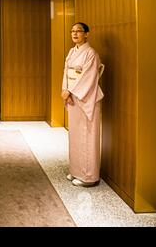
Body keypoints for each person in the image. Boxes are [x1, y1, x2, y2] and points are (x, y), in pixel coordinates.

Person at [62, 22, 104, 187]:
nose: (74, 33)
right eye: (72, 31)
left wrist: (70, 91)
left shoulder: (91, 54)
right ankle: (76, 171)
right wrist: (65, 90)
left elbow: (89, 77)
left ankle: (88, 176)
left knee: (87, 136)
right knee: (75, 136)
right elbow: (66, 72)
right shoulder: (72, 51)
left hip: (85, 98)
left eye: (78, 31)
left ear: (86, 34)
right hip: (72, 97)